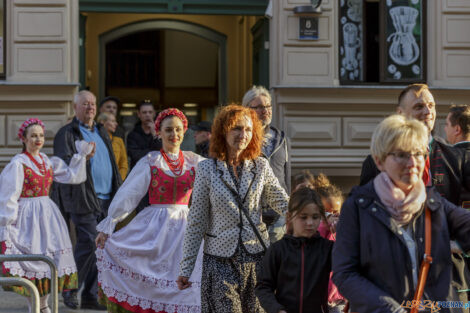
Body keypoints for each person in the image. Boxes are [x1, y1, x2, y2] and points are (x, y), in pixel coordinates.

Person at [333, 115, 470, 313]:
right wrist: (391, 310)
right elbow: (344, 273)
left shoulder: (432, 203)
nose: (412, 162)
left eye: (418, 154)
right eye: (402, 154)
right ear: (379, 161)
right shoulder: (357, 206)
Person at [177, 104, 289, 313]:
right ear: (223, 131)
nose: (243, 135)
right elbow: (197, 221)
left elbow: (282, 202)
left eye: (248, 129)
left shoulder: (261, 166)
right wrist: (186, 268)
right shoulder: (207, 169)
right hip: (219, 262)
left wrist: (320, 215)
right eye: (237, 128)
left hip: (256, 260)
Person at [95, 108, 205, 313]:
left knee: (186, 284)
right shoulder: (152, 161)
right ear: (159, 133)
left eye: (178, 129)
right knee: (154, 280)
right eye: (169, 130)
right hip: (155, 227)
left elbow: (217, 184)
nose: (174, 135)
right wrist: (109, 224)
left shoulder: (195, 161)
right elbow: (129, 194)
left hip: (186, 229)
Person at [0, 118, 94, 313]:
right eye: (33, 136)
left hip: (47, 215)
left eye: (41, 135)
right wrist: (7, 223)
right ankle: (36, 306)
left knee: (49, 260)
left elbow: (71, 176)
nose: (38, 139)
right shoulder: (18, 164)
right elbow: (9, 195)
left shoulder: (47, 161)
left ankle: (43, 305)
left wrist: (81, 157)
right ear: (24, 139)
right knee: (33, 261)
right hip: (27, 217)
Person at [53, 90, 122, 310]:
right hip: (82, 198)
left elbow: (111, 162)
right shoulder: (67, 133)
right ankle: (70, 288)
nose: (90, 108)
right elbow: (63, 167)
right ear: (75, 108)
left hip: (106, 198)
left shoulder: (101, 131)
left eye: (92, 104)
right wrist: (82, 157)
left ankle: (92, 296)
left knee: (101, 247)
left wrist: (119, 192)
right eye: (85, 104)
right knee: (89, 242)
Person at [255, 187, 332, 313]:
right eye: (303, 217)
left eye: (315, 217)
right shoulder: (277, 250)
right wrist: (277, 310)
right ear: (290, 217)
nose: (310, 223)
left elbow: (350, 269)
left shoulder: (328, 249)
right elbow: (263, 287)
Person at [242, 85, 291, 243]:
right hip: (252, 213)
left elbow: (286, 175)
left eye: (268, 106)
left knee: (276, 263)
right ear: (247, 109)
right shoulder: (242, 139)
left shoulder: (281, 138)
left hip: (278, 215)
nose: (265, 111)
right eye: (260, 107)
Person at [310, 174, 345, 313]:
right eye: (326, 212)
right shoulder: (313, 228)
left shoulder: (344, 230)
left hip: (338, 297)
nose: (332, 216)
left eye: (336, 212)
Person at [127, 100, 162, 169]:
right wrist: (153, 152)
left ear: (154, 113)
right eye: (144, 112)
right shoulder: (132, 135)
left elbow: (162, 153)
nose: (147, 115)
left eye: (150, 112)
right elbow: (135, 156)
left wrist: (155, 135)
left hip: (156, 173)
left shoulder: (160, 133)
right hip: (138, 173)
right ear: (139, 114)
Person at [97, 112, 128, 180]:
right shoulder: (95, 140)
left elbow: (124, 164)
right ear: (102, 122)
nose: (116, 124)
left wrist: (119, 179)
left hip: (115, 182)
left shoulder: (119, 141)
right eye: (113, 121)